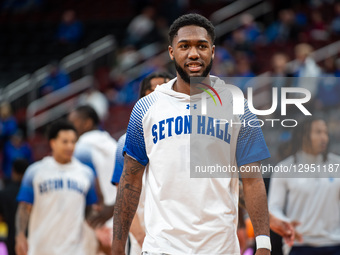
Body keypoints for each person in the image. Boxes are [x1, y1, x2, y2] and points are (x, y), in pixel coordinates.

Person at [112, 13, 271, 255]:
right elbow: (130, 181)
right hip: (162, 248)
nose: (194, 54)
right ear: (171, 52)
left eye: (201, 46)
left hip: (219, 248)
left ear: (213, 51)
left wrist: (264, 245)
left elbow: (251, 179)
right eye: (184, 46)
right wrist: (117, 247)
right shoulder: (146, 108)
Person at [15, 120, 97, 255]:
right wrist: (20, 235)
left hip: (75, 249)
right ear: (52, 143)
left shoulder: (86, 173)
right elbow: (24, 207)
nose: (70, 146)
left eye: (73, 141)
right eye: (65, 142)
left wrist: (98, 227)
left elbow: (89, 210)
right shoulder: (35, 171)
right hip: (40, 248)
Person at [269, 117, 340, 255]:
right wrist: (285, 223)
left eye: (325, 132)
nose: (324, 137)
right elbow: (274, 207)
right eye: (318, 132)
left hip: (335, 244)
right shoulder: (284, 168)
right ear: (302, 135)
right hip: (299, 245)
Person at [68, 105, 117, 255]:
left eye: (74, 122)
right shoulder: (113, 144)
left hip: (96, 217)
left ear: (87, 123)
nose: (70, 127)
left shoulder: (81, 147)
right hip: (118, 215)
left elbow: (87, 183)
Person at [0, 159, 29, 255]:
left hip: (12, 238)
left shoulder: (5, 193)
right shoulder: (32, 192)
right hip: (30, 238)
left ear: (13, 172)